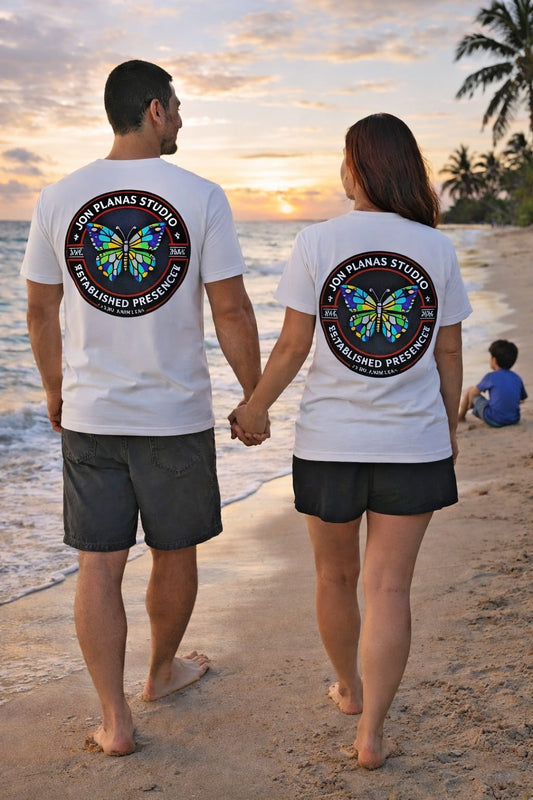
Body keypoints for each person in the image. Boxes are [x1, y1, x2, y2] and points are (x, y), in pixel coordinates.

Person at [21, 60, 262, 757]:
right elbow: (232, 308)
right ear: (154, 109)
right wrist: (251, 396)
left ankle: (113, 719)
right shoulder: (200, 195)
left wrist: (55, 386)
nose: (182, 118)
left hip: (93, 416)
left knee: (99, 564)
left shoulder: (58, 197)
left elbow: (40, 309)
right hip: (173, 415)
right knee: (172, 549)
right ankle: (161, 672)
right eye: (178, 107)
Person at [229, 113, 472, 770]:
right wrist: (445, 429)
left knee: (333, 577)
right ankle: (372, 736)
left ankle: (349, 691)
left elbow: (291, 345)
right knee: (388, 589)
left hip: (330, 441)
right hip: (411, 444)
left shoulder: (317, 241)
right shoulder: (435, 248)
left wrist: (254, 408)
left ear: (358, 166)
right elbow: (448, 351)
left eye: (344, 156)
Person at [458, 339, 527, 426]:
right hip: (514, 419)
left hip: (494, 419)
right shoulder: (517, 378)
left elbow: (473, 392)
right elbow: (522, 399)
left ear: (494, 360)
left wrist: (469, 404)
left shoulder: (491, 377)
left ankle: (460, 417)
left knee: (469, 390)